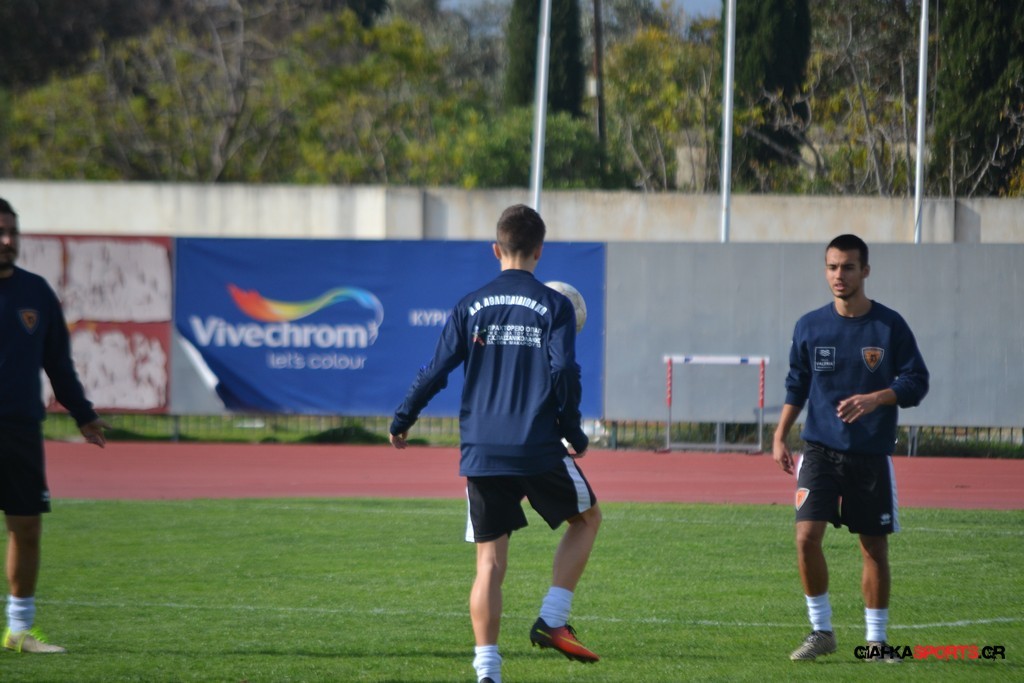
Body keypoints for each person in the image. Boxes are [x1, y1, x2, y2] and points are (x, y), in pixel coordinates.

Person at [389, 204, 601, 683]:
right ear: (539, 251)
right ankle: (552, 618)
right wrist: (572, 430)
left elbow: (435, 371)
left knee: (489, 563)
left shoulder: (469, 305)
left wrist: (403, 418)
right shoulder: (555, 305)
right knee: (587, 518)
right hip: (537, 444)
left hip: (482, 449)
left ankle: (487, 669)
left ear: (495, 249)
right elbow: (564, 371)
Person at [772, 234, 929, 663]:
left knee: (873, 548)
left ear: (865, 271)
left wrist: (877, 398)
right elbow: (797, 385)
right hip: (819, 450)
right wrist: (780, 434)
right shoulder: (809, 326)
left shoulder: (889, 326)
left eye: (847, 267)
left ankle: (875, 643)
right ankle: (821, 631)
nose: (838, 275)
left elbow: (916, 382)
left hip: (870, 454)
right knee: (805, 537)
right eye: (832, 267)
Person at [0, 198, 109, 654]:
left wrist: (83, 414)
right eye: (0, 232)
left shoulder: (36, 292)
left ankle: (18, 631)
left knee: (26, 527)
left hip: (20, 430)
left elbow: (57, 363)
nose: (8, 240)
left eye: (12, 232)